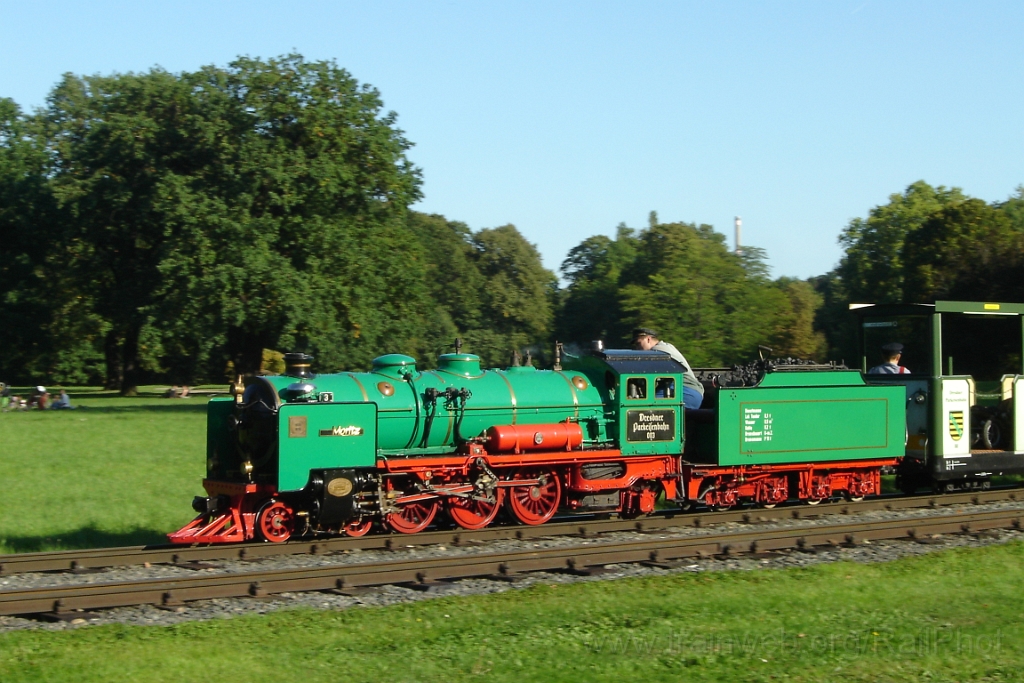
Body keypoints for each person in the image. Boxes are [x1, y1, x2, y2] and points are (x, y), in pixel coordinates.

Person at [632, 327, 705, 409]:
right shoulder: (665, 347)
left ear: (648, 339)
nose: (637, 349)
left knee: (646, 408)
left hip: (685, 390)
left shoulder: (658, 352)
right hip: (686, 390)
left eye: (638, 344)